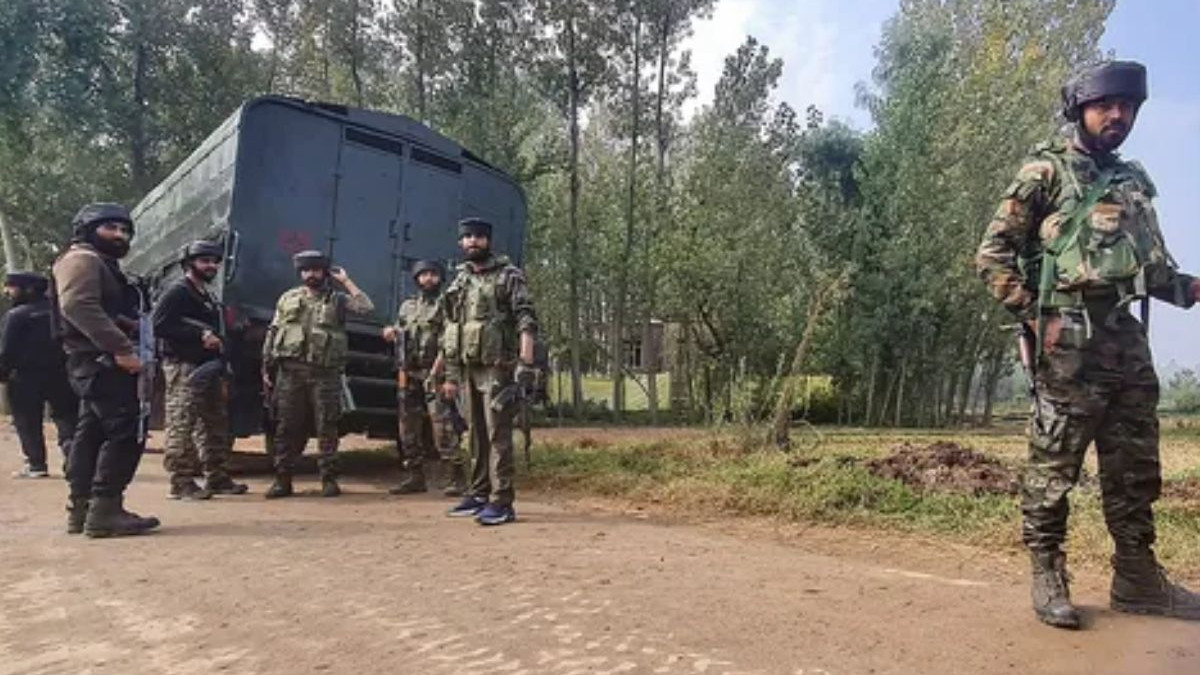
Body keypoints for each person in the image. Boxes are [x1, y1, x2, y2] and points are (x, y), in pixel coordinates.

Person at [976, 60, 1200, 628]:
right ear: (1080, 108)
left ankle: (1137, 579)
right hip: (1069, 350)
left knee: (1135, 469)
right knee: (1053, 468)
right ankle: (1048, 573)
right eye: (1106, 106)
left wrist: (1191, 288)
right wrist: (1036, 318)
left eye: (1128, 107)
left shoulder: (1132, 182)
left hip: (1127, 346)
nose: (1118, 115)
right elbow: (992, 256)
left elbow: (1150, 272)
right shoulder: (1045, 172)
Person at [51, 203, 159, 537]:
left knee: (92, 433)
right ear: (87, 229)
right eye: (110, 227)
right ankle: (105, 510)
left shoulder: (95, 262)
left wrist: (128, 325)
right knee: (126, 432)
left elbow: (96, 307)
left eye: (124, 230)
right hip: (103, 362)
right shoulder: (82, 259)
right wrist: (122, 348)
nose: (119, 235)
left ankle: (82, 509)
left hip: (93, 362)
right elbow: (78, 305)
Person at [440, 218, 538, 526]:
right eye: (467, 237)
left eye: (479, 236)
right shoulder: (461, 281)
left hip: (499, 368)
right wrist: (450, 374)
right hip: (469, 367)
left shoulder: (508, 276)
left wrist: (525, 362)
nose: (473, 241)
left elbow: (526, 318)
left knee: (498, 434)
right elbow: (452, 326)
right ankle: (479, 493)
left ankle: (502, 501)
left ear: (488, 241)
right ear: (460, 242)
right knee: (475, 434)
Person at [261, 250, 373, 498]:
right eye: (306, 270)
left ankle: (328, 479)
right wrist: (266, 367)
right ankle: (282, 480)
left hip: (324, 374)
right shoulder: (288, 298)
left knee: (327, 427)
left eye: (316, 270)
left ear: (324, 273)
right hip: (291, 373)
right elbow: (274, 331)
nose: (311, 274)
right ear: (300, 273)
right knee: (286, 428)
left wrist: (346, 281)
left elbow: (366, 307)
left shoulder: (337, 300)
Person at [152, 240, 248, 500]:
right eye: (204, 261)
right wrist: (198, 334)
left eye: (215, 262)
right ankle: (181, 481)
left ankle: (216, 476)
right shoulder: (178, 291)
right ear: (189, 263)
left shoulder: (207, 295)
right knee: (182, 422)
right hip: (184, 366)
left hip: (209, 367)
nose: (211, 266)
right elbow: (159, 324)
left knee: (214, 423)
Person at [382, 260, 466, 497]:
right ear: (416, 279)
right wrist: (391, 332)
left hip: (435, 374)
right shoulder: (408, 306)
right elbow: (401, 330)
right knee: (407, 428)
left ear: (440, 278)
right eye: (423, 275)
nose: (428, 279)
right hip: (409, 374)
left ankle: (456, 478)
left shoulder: (447, 305)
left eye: (433, 274)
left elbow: (451, 342)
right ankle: (414, 476)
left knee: (443, 427)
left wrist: (448, 376)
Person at [0, 271, 78, 478]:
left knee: (27, 421)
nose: (7, 291)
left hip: (24, 378)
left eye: (11, 287)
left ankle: (36, 464)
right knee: (66, 417)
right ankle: (74, 458)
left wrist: (3, 374)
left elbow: (7, 350)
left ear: (28, 289)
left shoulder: (16, 316)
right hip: (61, 373)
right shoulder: (60, 311)